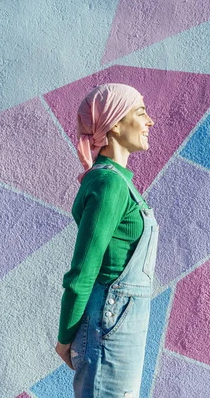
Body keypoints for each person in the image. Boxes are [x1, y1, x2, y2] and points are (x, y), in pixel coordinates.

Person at [54, 83, 157, 397]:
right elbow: (82, 271)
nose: (150, 121)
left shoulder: (121, 183)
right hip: (108, 326)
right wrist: (65, 339)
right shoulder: (108, 182)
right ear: (114, 123)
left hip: (122, 325)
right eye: (141, 113)